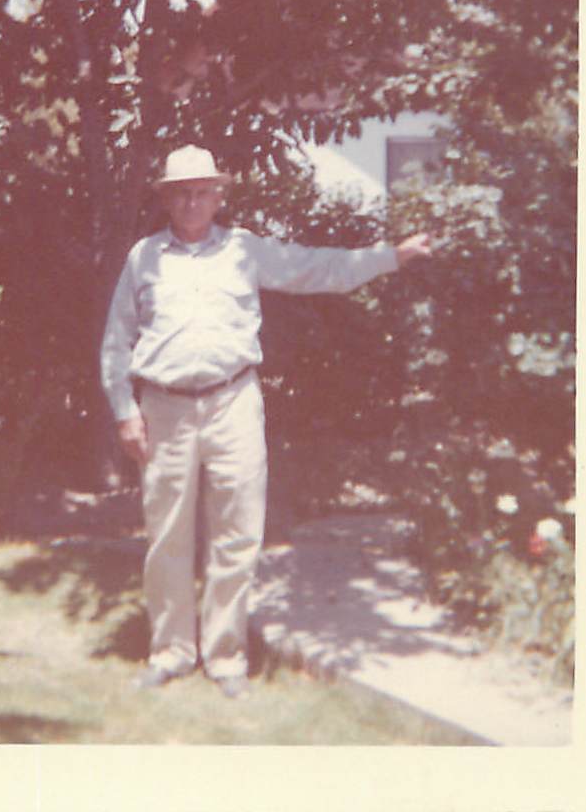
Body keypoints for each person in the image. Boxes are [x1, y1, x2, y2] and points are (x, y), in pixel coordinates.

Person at [100, 143, 431, 699]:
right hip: (164, 410)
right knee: (167, 535)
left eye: (202, 191)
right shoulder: (144, 257)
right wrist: (123, 410)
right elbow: (116, 340)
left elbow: (317, 267)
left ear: (218, 196)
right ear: (166, 199)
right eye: (181, 193)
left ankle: (225, 657)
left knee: (237, 534)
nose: (192, 202)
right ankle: (171, 651)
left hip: (233, 404)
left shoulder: (244, 250)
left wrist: (390, 257)